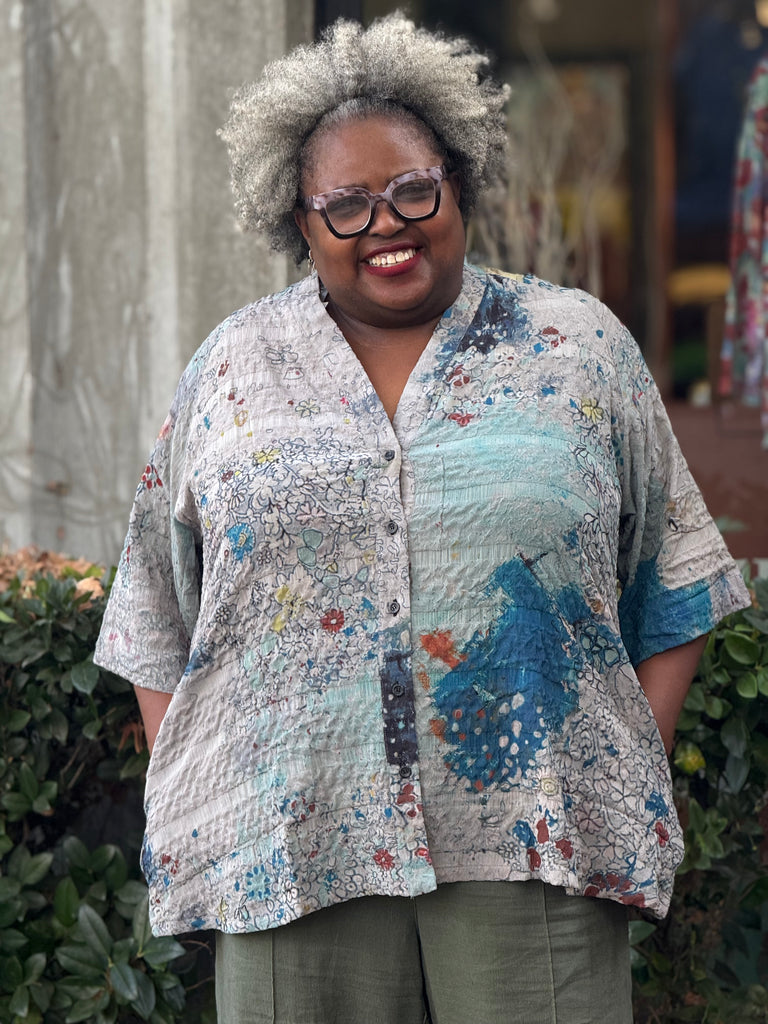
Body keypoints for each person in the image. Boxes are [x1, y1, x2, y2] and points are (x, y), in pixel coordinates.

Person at [94, 13, 752, 1024]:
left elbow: (678, 575)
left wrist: (618, 764)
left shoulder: (578, 346)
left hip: (537, 844)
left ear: (459, 181)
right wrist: (217, 785)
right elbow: (152, 606)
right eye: (344, 206)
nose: (386, 224)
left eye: (412, 189)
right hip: (289, 854)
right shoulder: (231, 370)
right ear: (299, 221)